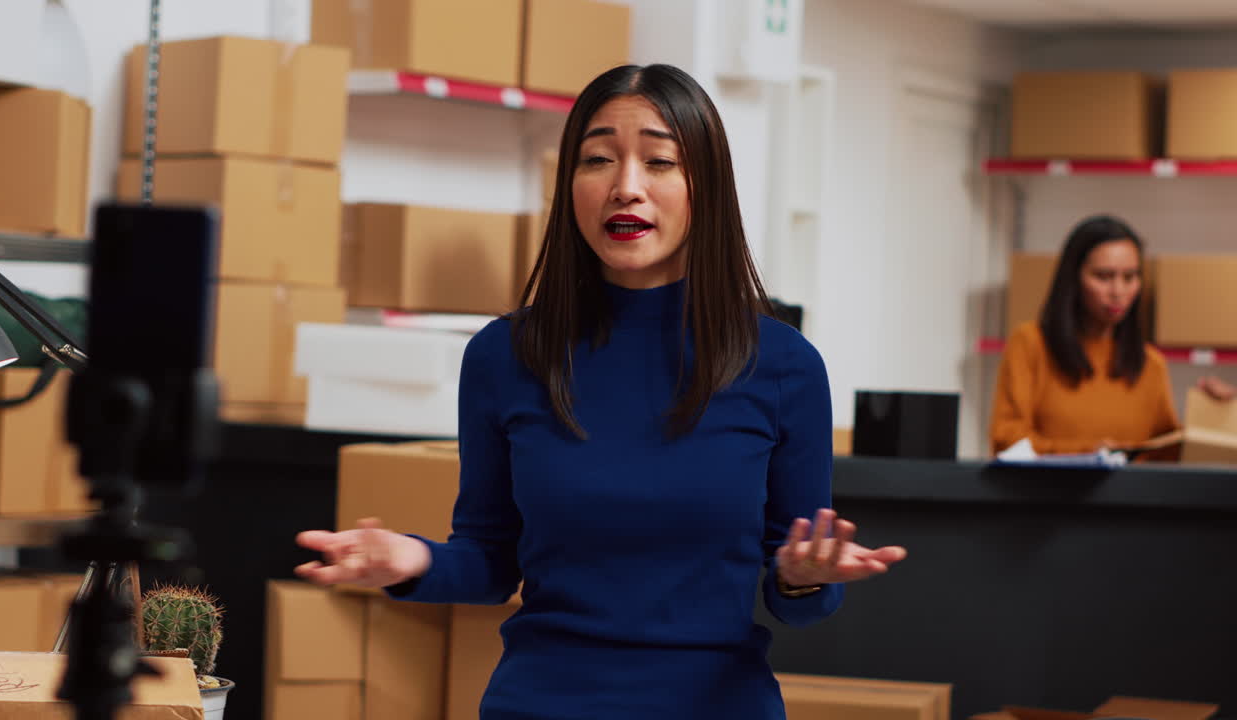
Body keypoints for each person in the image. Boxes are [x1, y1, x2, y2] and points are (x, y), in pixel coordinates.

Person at [294, 64, 907, 719]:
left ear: (707, 185)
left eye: (659, 162)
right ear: (570, 184)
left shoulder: (783, 365)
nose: (626, 187)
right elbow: (490, 561)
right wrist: (411, 560)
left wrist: (803, 577)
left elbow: (799, 593)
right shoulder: (505, 355)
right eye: (598, 160)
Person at [989, 214, 1230, 457]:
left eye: (1130, 277)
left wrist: (1215, 415)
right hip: (1047, 483)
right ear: (1074, 278)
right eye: (1103, 276)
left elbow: (1167, 453)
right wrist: (1090, 454)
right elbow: (1006, 439)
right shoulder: (1030, 344)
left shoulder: (1151, 364)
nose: (1118, 291)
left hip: (1130, 484)